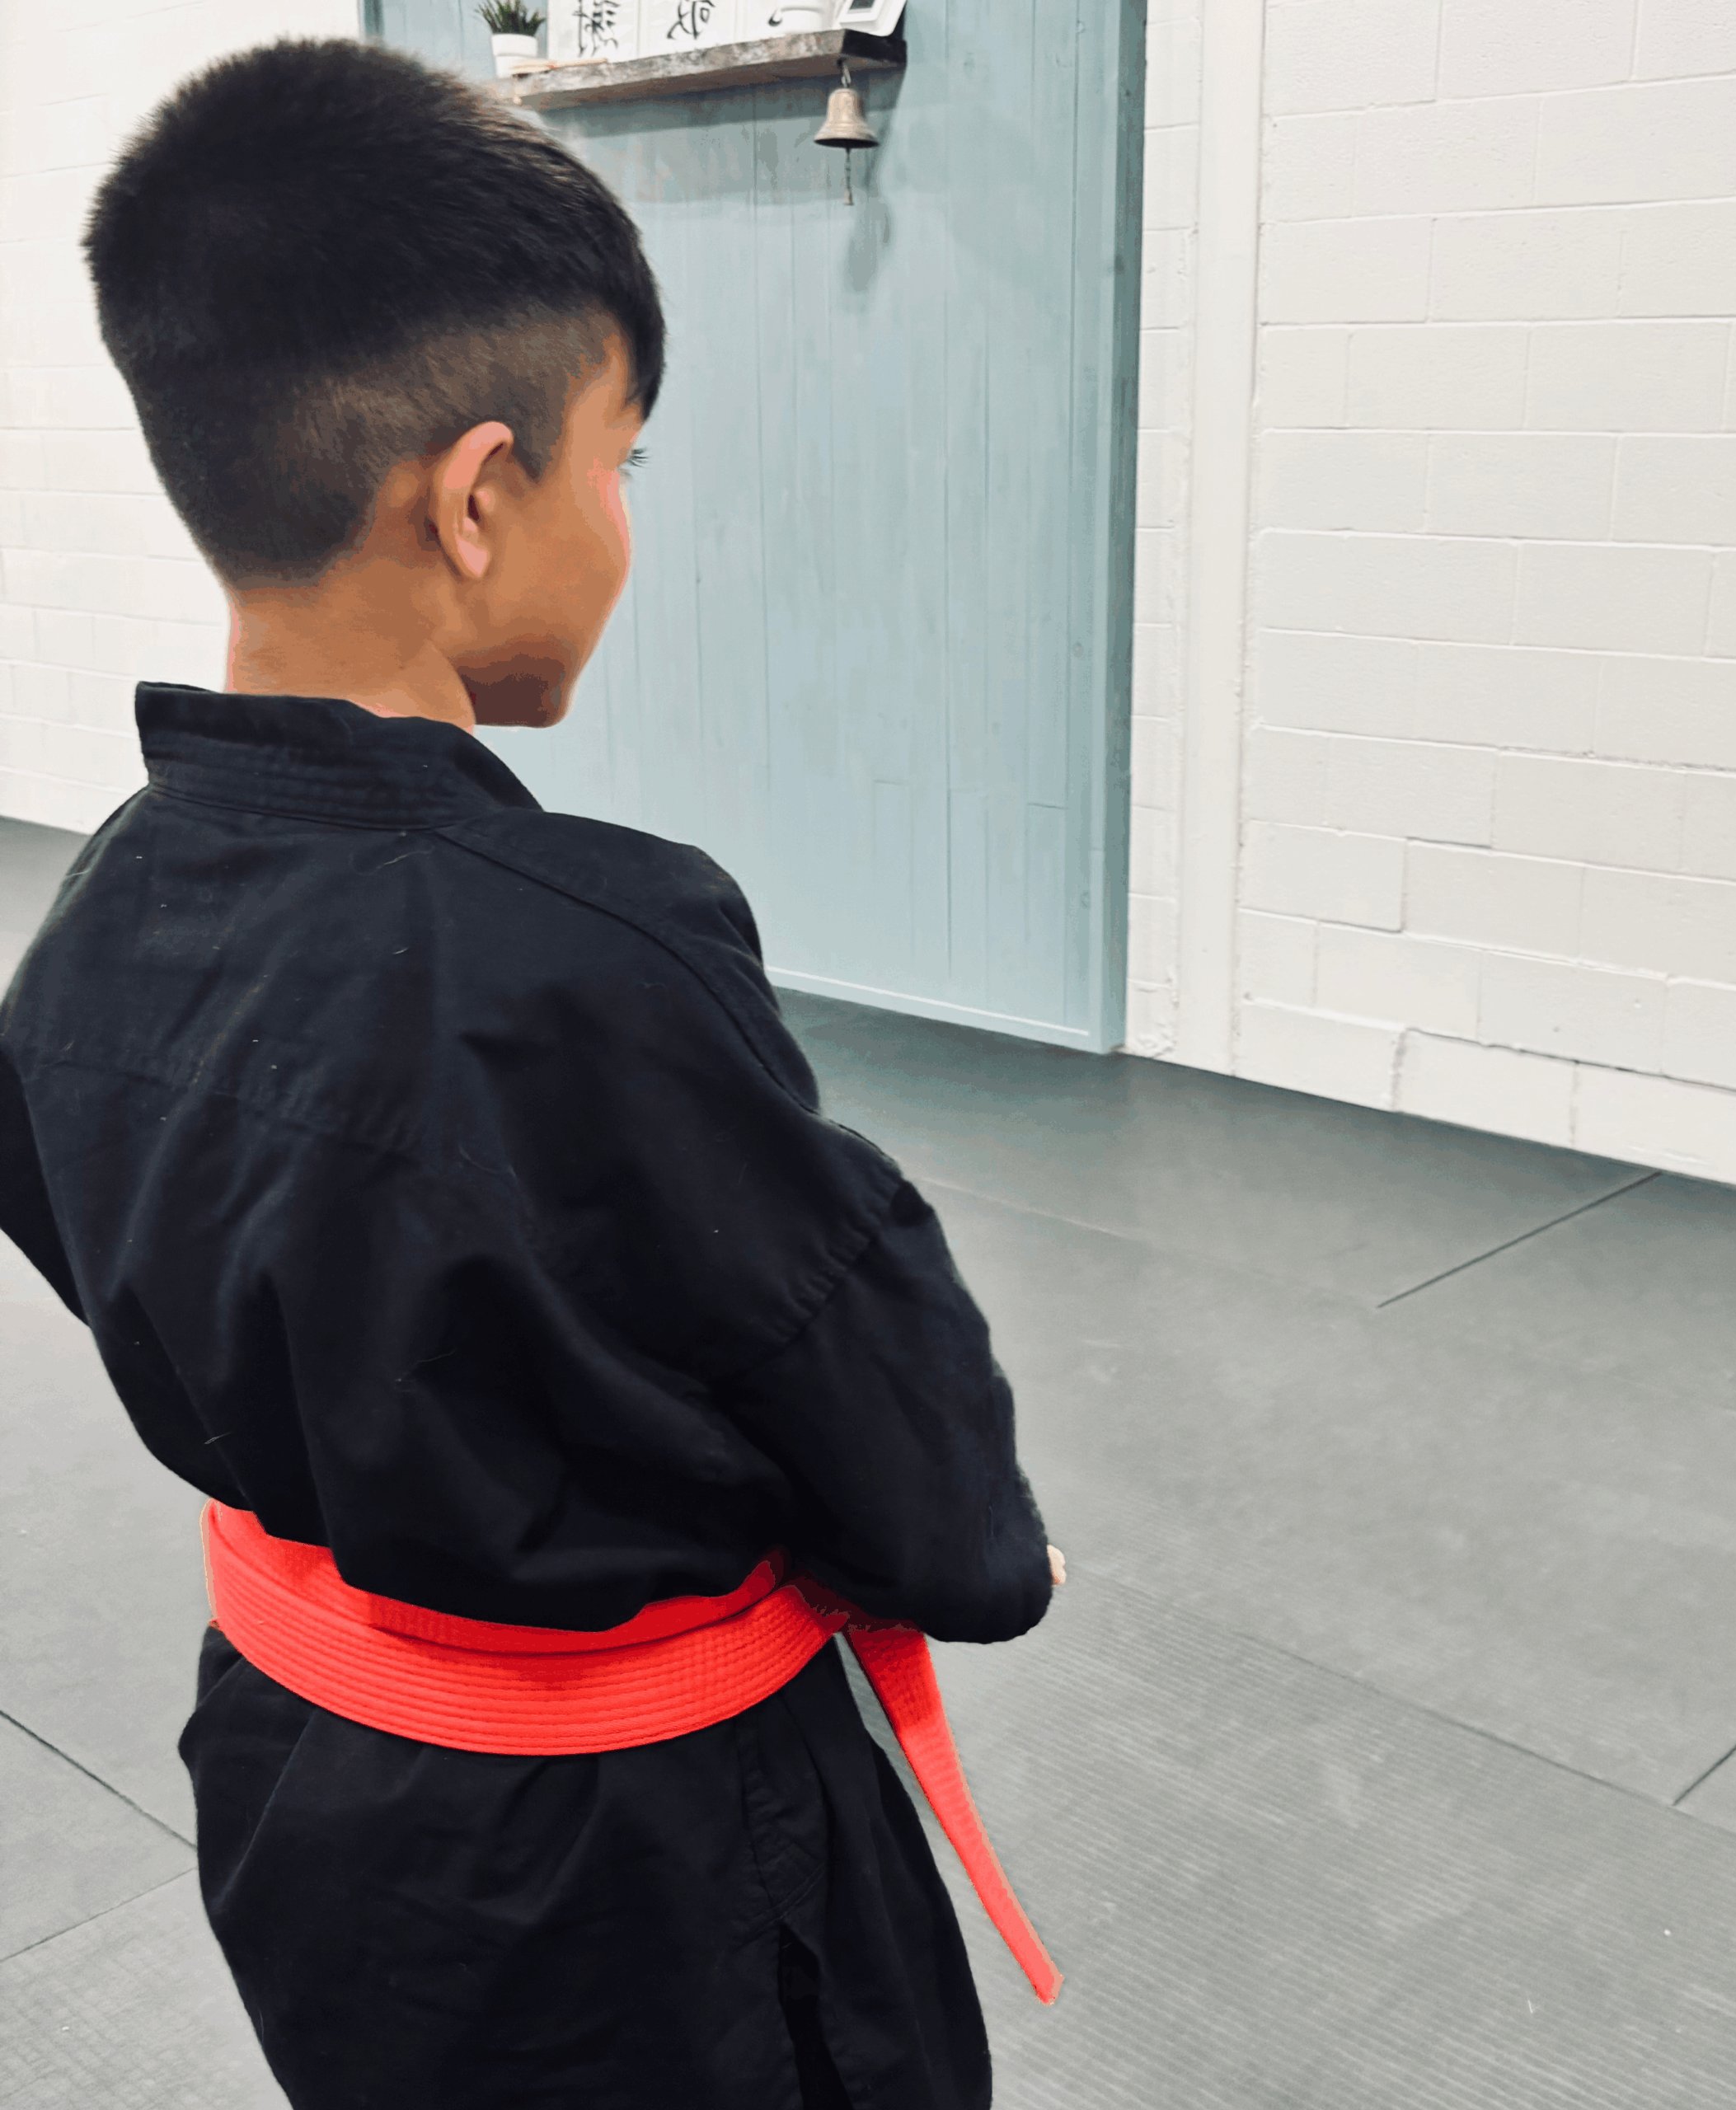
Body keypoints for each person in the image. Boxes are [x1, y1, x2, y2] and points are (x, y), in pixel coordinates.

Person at [0, 34, 1064, 2110]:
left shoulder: (86, 931)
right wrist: (978, 1550)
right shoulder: (598, 957)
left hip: (303, 1792)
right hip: (648, 1876)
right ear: (480, 495)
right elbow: (899, 1430)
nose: (624, 527)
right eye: (620, 467)